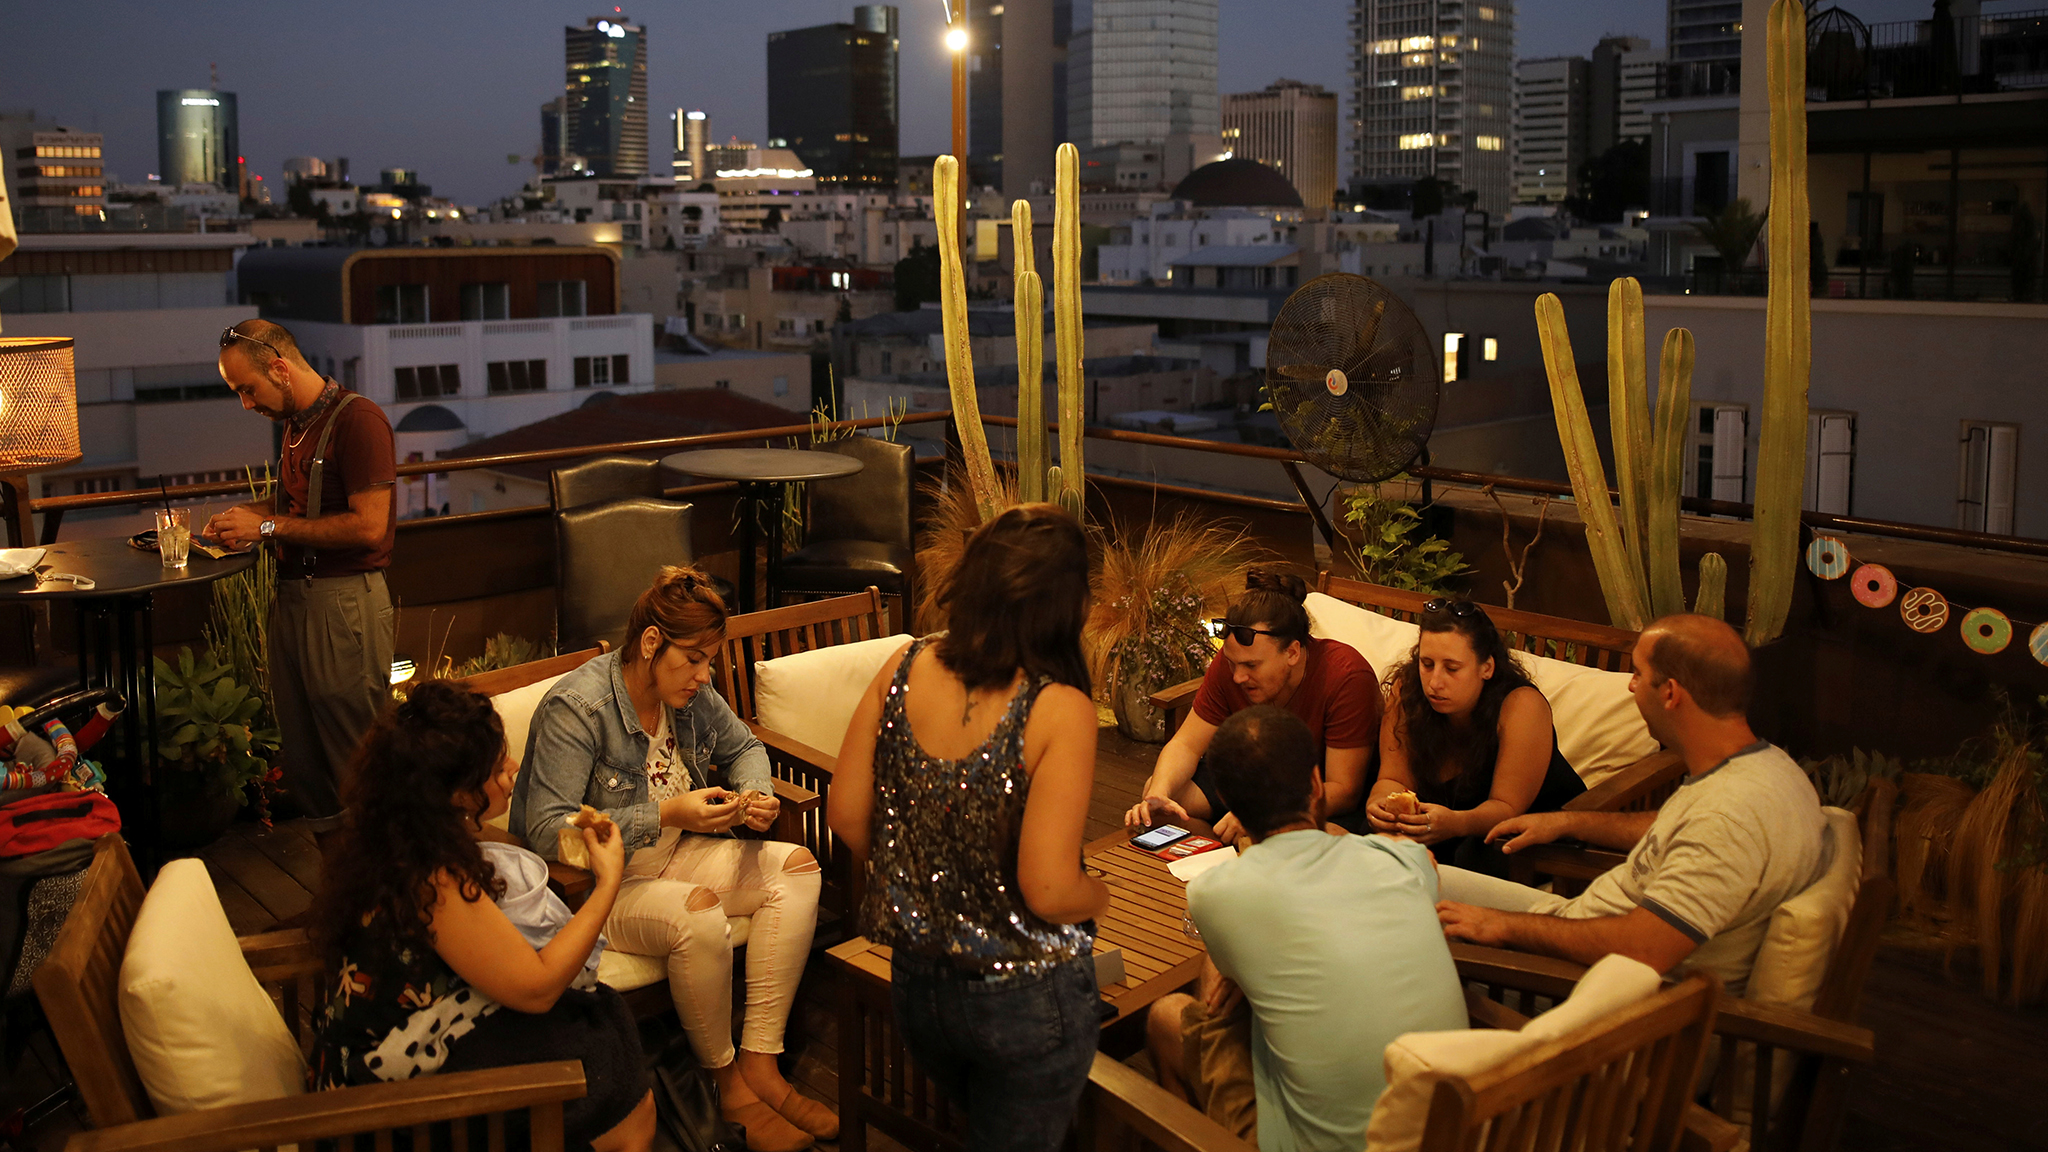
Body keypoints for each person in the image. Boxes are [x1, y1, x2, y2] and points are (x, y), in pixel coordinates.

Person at [512, 567, 829, 1152]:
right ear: (652, 642)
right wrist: (664, 815)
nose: (705, 676)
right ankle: (728, 1087)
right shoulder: (578, 708)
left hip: (675, 856)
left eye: (711, 661)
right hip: (601, 887)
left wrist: (755, 794)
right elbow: (546, 831)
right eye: (694, 659)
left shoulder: (690, 694)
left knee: (798, 870)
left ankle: (761, 1062)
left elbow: (745, 746)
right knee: (698, 913)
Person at [828, 504, 1110, 1152]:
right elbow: (1048, 890)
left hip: (918, 986)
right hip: (1025, 996)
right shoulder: (1059, 708)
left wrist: (919, 880)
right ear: (1064, 606)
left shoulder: (903, 665)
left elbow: (844, 812)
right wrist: (1099, 896)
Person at [308, 681, 655, 1152]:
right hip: (386, 1092)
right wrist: (608, 881)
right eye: (495, 768)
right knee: (604, 1059)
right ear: (457, 793)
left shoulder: (402, 837)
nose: (512, 769)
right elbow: (537, 988)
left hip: (425, 1025)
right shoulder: (432, 877)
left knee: (598, 1016)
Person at [1435, 614, 1828, 997]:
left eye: (1638, 674)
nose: (1630, 686)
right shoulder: (1765, 768)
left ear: (1670, 693)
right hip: (1576, 924)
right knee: (1411, 871)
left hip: (1575, 984)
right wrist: (1570, 822)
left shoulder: (1727, 819)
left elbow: (1645, 947)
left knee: (1406, 921)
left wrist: (1501, 926)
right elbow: (1680, 829)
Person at [1147, 705, 1466, 1152]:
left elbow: (1220, 998)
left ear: (1228, 801)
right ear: (1316, 784)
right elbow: (1420, 864)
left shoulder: (1215, 892)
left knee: (1168, 1017)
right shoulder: (1402, 861)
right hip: (1454, 1132)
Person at [205, 320, 395, 834]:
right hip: (295, 601)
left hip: (343, 606)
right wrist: (245, 518)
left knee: (359, 760)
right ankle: (339, 880)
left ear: (280, 369)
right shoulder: (297, 424)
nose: (246, 403)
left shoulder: (359, 420)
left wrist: (266, 526)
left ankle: (391, 876)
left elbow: (370, 526)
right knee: (308, 763)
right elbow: (300, 506)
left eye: (248, 389)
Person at [1123, 571, 1378, 840]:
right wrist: (1159, 793)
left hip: (1312, 794)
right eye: (1232, 663)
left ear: (1292, 652)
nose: (1238, 677)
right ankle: (1223, 849)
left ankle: (1240, 842)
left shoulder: (1345, 676)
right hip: (1251, 774)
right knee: (1161, 800)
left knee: (1322, 837)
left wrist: (1265, 814)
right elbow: (1186, 744)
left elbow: (1344, 790)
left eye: (1251, 666)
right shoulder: (1232, 665)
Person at [1361, 598, 1587, 875]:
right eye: (1427, 664)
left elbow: (1507, 807)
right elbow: (1392, 779)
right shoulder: (1407, 692)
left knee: (1474, 854)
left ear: (1487, 667)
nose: (1435, 682)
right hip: (1444, 826)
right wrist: (1378, 806)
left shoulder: (1521, 705)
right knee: (1369, 837)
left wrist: (1456, 823)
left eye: (1452, 669)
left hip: (1530, 835)